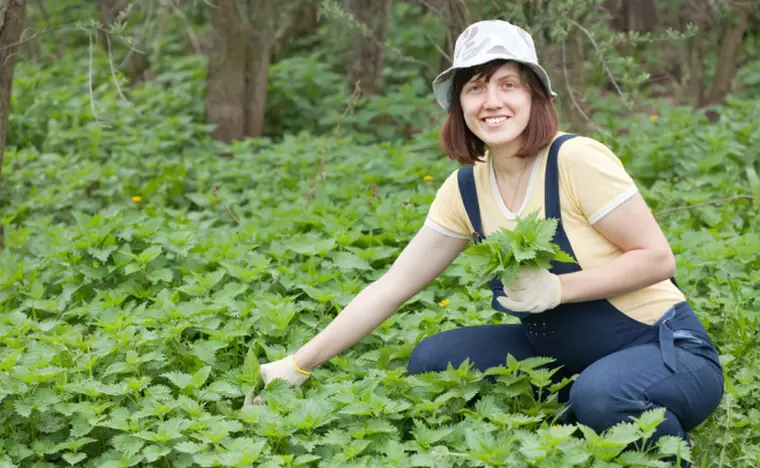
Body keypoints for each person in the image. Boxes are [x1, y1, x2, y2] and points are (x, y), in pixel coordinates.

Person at [246, 19, 724, 460]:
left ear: (536, 95)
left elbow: (657, 258)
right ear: (460, 106)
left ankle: (658, 443)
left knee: (603, 394)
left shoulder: (576, 160)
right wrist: (299, 365)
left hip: (667, 350)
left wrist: (559, 289)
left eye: (507, 84)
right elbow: (394, 285)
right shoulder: (465, 188)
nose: (491, 101)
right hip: (566, 356)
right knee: (433, 359)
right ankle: (578, 412)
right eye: (475, 88)